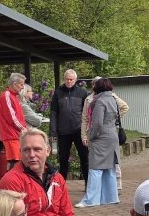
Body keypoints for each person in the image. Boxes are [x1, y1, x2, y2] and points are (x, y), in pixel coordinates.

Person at [81, 76, 129, 191]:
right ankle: (106, 190)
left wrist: (112, 120)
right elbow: (85, 118)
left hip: (102, 134)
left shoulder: (109, 97)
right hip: (96, 132)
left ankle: (113, 187)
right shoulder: (88, 99)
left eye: (96, 84)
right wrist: (84, 135)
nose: (94, 86)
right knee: (102, 165)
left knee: (109, 164)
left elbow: (124, 107)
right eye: (93, 84)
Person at [78, 78, 120, 207]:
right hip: (112, 135)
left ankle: (91, 200)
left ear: (98, 88)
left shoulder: (100, 101)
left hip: (101, 138)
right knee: (109, 168)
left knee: (95, 168)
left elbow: (97, 123)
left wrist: (91, 136)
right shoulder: (113, 99)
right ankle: (110, 197)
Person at [49, 69, 89, 182]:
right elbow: (53, 114)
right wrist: (53, 132)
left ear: (75, 80)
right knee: (63, 160)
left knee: (84, 158)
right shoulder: (58, 93)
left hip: (79, 131)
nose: (69, 81)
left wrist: (87, 130)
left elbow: (87, 113)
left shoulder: (82, 93)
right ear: (64, 79)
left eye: (71, 79)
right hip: (63, 132)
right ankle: (62, 186)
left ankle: (88, 185)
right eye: (67, 79)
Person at [0, 73, 27, 170]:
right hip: (11, 135)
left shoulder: (13, 96)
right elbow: (12, 117)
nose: (22, 87)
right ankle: (11, 179)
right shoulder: (7, 95)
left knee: (17, 160)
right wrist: (23, 128)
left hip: (15, 134)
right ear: (14, 84)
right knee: (14, 161)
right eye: (21, 84)